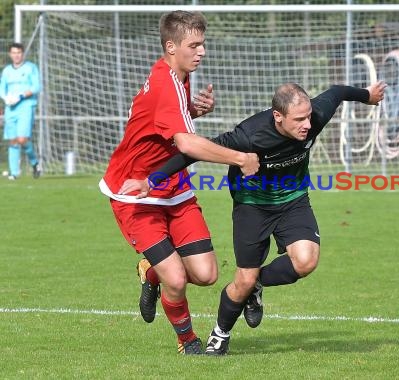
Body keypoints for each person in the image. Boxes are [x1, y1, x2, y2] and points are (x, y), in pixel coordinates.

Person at [120, 80, 386, 355]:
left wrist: (368, 96)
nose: (307, 124)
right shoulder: (249, 135)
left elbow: (338, 92)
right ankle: (220, 334)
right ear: (277, 117)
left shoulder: (315, 117)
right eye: (299, 120)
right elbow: (192, 153)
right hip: (252, 207)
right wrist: (152, 180)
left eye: (308, 116)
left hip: (293, 200)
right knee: (242, 281)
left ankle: (257, 284)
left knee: (306, 261)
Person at [99, 10, 259, 355]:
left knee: (205, 274)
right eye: (194, 45)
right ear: (171, 46)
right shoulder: (165, 82)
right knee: (176, 278)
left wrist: (194, 112)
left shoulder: (178, 75)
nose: (201, 52)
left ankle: (149, 271)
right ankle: (187, 341)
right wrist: (239, 158)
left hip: (173, 188)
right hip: (134, 192)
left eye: (203, 44)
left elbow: (167, 123)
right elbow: (186, 144)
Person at [0, 42, 42, 180]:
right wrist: (6, 98)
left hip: (26, 106)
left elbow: (36, 87)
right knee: (12, 140)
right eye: (13, 53)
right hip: (10, 109)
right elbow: (2, 88)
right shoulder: (6, 71)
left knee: (22, 139)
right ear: (10, 54)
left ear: (22, 54)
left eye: (18, 53)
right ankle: (14, 173)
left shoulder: (31, 68)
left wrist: (21, 96)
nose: (16, 55)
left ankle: (35, 163)